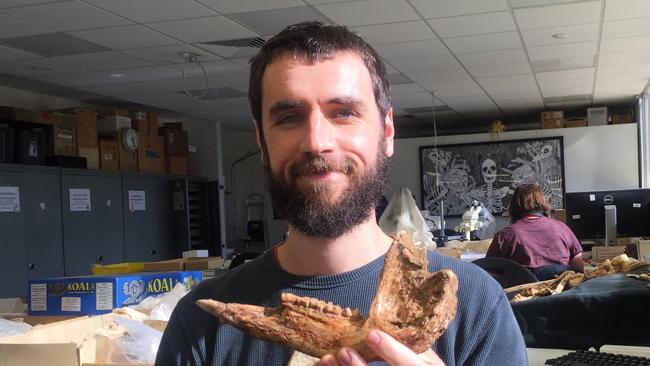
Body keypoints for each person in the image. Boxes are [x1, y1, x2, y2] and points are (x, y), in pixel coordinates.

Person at [155, 21, 527, 366]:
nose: (317, 142)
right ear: (261, 140)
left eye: (345, 112)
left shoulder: (477, 307)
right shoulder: (200, 324)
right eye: (289, 117)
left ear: (387, 132)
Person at [486, 184, 584, 280]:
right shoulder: (562, 228)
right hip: (563, 294)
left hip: (522, 294)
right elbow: (579, 270)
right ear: (543, 203)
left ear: (513, 206)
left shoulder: (504, 236)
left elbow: (488, 274)